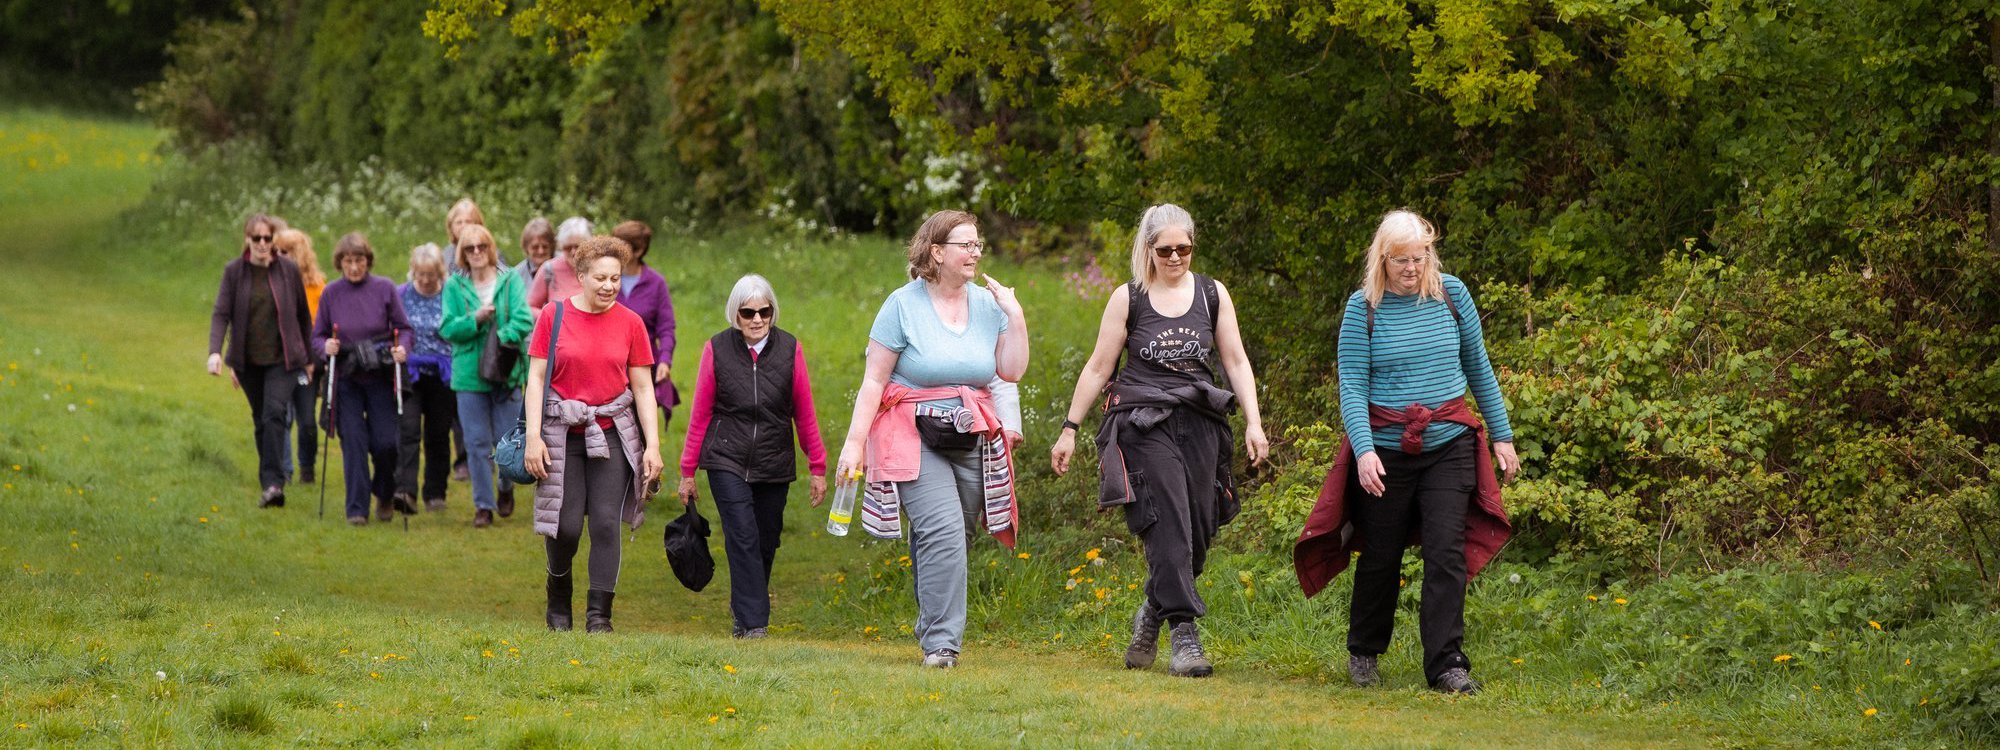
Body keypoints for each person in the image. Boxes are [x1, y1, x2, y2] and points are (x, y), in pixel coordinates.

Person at [1296, 209, 1521, 695]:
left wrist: (1501, 436)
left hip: (1449, 443)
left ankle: (1446, 665)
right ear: (1382, 259)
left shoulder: (1453, 295)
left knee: (1446, 553)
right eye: (1402, 260)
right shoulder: (1364, 309)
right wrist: (1363, 451)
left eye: (1420, 258)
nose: (1413, 269)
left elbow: (1478, 367)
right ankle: (1364, 652)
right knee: (1381, 554)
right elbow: (1352, 386)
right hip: (1386, 449)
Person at [1049, 204, 1269, 678]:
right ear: (1148, 249)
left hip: (1201, 423)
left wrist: (1253, 421)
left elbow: (1235, 359)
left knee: (1199, 530)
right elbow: (1098, 367)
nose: (1175, 258)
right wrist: (1070, 428)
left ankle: (1153, 610)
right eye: (1165, 250)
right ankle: (1184, 636)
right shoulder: (1129, 298)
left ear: (1193, 246)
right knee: (1168, 523)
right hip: (1144, 423)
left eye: (1183, 249)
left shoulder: (1212, 294)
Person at [834, 210, 1028, 669]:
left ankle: (930, 624)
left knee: (950, 535)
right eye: (966, 244)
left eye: (979, 244)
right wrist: (853, 444)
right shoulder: (901, 305)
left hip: (969, 431)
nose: (976, 252)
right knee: (941, 530)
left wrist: (1014, 314)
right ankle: (942, 645)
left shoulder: (988, 305)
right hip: (909, 432)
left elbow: (1011, 371)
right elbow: (873, 382)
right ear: (937, 252)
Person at [525, 235, 664, 633]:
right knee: (565, 525)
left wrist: (652, 445)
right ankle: (558, 596)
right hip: (561, 433)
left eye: (615, 279)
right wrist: (533, 437)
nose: (609, 286)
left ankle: (599, 617)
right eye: (601, 278)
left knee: (605, 523)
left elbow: (642, 388)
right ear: (580, 277)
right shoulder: (553, 317)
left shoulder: (631, 323)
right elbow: (535, 378)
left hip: (612, 435)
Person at [678, 274, 829, 639]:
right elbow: (700, 412)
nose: (757, 319)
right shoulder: (716, 348)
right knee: (741, 536)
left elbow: (804, 411)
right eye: (748, 312)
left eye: (765, 311)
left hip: (774, 459)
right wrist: (687, 470)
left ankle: (744, 610)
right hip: (726, 457)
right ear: (736, 314)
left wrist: (818, 466)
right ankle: (754, 622)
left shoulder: (791, 349)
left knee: (766, 538)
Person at [207, 213, 315, 508]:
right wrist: (215, 352)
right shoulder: (234, 272)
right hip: (248, 361)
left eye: (268, 238)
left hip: (283, 359)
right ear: (247, 240)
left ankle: (273, 484)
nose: (263, 244)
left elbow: (304, 316)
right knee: (261, 419)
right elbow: (221, 313)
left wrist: (309, 357)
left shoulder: (288, 271)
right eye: (257, 239)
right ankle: (270, 479)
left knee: (274, 413)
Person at [312, 232, 413, 526]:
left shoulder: (385, 289)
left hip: (380, 375)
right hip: (346, 378)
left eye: (359, 260)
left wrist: (401, 348)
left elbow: (404, 328)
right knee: (353, 440)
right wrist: (324, 347)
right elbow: (317, 336)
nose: (354, 267)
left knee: (386, 443)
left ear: (368, 261)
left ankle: (384, 492)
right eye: (348, 261)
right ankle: (356, 509)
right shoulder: (331, 293)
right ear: (340, 263)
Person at [440, 223, 535, 527]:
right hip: (469, 375)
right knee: (477, 442)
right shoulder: (454, 285)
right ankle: (483, 505)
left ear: (490, 247)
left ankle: (505, 487)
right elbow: (448, 328)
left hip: (506, 371)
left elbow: (523, 319)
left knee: (506, 440)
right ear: (462, 254)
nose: (477, 252)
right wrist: (476, 319)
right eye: (470, 248)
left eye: (482, 246)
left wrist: (501, 336)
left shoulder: (509, 281)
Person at [395, 244, 456, 514]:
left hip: (443, 376)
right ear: (413, 272)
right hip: (411, 373)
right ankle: (405, 490)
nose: (425, 280)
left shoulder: (450, 295)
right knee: (408, 430)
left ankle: (435, 492)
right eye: (420, 274)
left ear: (440, 272)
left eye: (430, 274)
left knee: (438, 434)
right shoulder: (401, 294)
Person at [611, 220, 680, 428]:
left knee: (640, 429)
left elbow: (666, 328)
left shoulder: (656, 283)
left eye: (621, 246)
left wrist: (665, 361)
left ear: (639, 250)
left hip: (644, 365)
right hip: (610, 364)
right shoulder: (607, 279)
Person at [273, 228, 326, 485]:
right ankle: (284, 469)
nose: (280, 255)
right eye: (278, 251)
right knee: (280, 416)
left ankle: (308, 466)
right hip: (280, 363)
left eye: (286, 251)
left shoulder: (317, 288)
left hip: (307, 366)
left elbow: (320, 329)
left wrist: (314, 363)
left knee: (306, 420)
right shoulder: (271, 282)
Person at [526, 217, 592, 314]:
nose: (573, 252)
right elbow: (529, 308)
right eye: (567, 248)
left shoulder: (598, 267)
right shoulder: (549, 269)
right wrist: (551, 319)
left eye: (577, 246)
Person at [513, 217, 556, 282]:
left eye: (545, 246)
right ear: (526, 248)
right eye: (535, 247)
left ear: (552, 246)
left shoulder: (565, 267)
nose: (540, 251)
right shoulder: (516, 276)